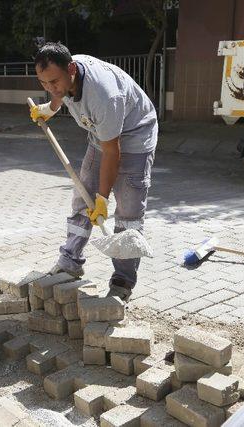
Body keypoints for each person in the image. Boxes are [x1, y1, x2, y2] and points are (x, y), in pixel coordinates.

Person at [30, 42, 157, 301]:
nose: (50, 88)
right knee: (81, 198)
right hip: (102, 135)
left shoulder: (104, 96)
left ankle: (123, 280)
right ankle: (70, 262)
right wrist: (49, 109)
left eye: (53, 81)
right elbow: (60, 91)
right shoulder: (64, 75)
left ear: (72, 69)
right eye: (43, 83)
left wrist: (102, 197)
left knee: (128, 213)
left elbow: (113, 152)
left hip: (135, 137)